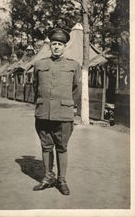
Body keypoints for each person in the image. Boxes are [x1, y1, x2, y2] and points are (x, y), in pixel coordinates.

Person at [33, 28, 81, 195]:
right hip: (43, 112)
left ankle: (61, 180)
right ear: (50, 46)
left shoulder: (74, 65)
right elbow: (35, 87)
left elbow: (76, 89)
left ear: (64, 46)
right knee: (46, 147)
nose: (56, 47)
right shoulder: (39, 64)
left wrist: (68, 106)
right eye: (53, 44)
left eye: (59, 44)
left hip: (63, 114)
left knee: (61, 147)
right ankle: (47, 177)